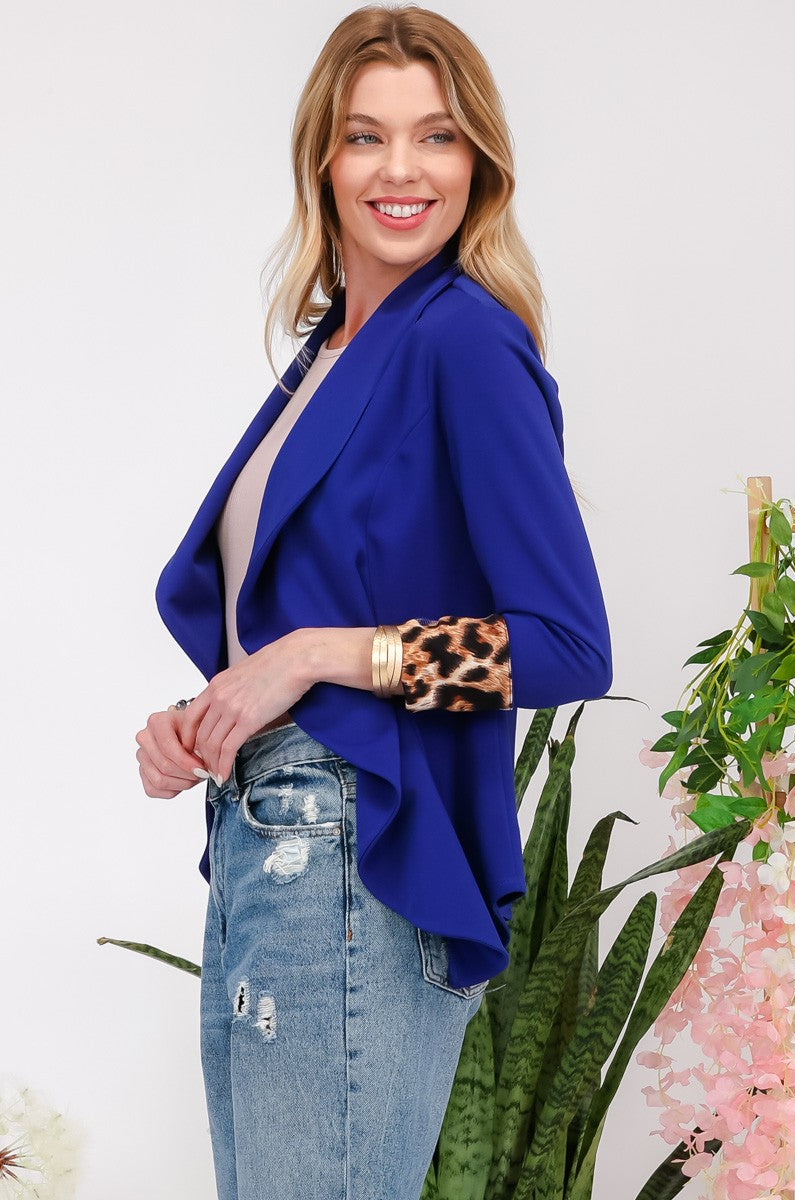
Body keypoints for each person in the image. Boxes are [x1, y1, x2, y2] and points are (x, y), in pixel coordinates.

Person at [135, 6, 613, 1198]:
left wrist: (308, 656)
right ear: (322, 158)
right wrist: (211, 715)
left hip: (355, 844)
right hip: (264, 832)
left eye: (436, 136)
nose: (401, 170)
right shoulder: (332, 352)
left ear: (478, 162)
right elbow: (300, 612)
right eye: (365, 136)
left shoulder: (463, 341)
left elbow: (565, 646)